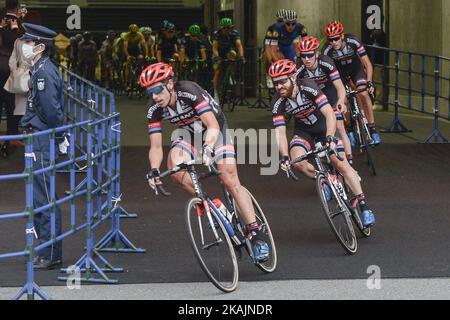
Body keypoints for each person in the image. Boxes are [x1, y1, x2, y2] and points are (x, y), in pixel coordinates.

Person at [140, 62, 270, 261]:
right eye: (150, 92)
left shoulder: (189, 91)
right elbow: (156, 146)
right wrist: (154, 170)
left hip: (214, 129)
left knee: (228, 177)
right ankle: (212, 205)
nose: (155, 96)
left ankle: (256, 231)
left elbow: (212, 125)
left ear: (170, 83)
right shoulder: (154, 108)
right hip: (187, 133)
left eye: (157, 90)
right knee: (175, 169)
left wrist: (209, 148)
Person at [268, 59, 375, 227]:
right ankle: (324, 178)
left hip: (324, 127)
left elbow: (329, 114)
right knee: (298, 162)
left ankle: (363, 205)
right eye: (275, 83)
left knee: (339, 162)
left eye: (282, 81)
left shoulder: (308, 86)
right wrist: (284, 156)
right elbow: (280, 132)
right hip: (304, 132)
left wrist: (331, 137)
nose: (278, 86)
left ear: (293, 77)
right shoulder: (277, 102)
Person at [19, 22, 64, 269]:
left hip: (42, 138)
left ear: (40, 46)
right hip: (38, 137)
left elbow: (51, 110)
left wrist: (58, 137)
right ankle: (45, 250)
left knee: (44, 198)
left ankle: (50, 253)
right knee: (39, 197)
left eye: (28, 43)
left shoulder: (44, 72)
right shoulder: (39, 69)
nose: (24, 47)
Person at [296, 36, 354, 165]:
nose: (306, 59)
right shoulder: (299, 67)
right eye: (303, 56)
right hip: (313, 97)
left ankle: (349, 163)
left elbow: (339, 86)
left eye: (310, 55)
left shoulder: (326, 62)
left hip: (329, 92)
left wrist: (340, 101)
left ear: (316, 53)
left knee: (339, 126)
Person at [322, 21, 381, 145]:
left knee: (363, 94)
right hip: (339, 74)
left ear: (342, 36)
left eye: (336, 38)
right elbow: (327, 74)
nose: (333, 42)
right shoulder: (327, 50)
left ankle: (373, 129)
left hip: (356, 70)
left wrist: (369, 81)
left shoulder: (353, 41)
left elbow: (367, 64)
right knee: (343, 101)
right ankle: (349, 129)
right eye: (330, 40)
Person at [0, 0, 25, 157]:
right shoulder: (17, 24)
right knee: (11, 106)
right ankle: (10, 141)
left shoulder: (2, 22)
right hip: (10, 70)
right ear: (16, 9)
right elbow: (18, 43)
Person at [211, 18, 245, 103]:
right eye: (225, 28)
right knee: (218, 72)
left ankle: (230, 73)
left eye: (229, 28)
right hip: (218, 52)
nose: (227, 30)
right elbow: (214, 48)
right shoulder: (217, 34)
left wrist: (241, 56)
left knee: (233, 54)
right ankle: (216, 93)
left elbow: (239, 45)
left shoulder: (234, 33)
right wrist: (217, 57)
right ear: (221, 28)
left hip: (228, 51)